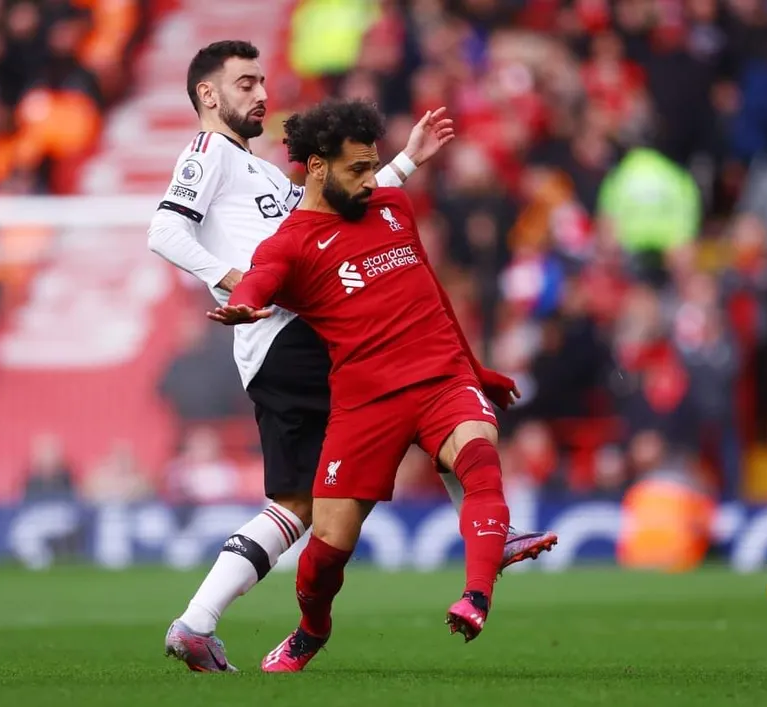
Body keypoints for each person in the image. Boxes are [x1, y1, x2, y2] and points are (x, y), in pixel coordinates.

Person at [149, 41, 557, 673]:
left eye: (262, 81)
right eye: (246, 83)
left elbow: (340, 209)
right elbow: (165, 230)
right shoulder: (208, 154)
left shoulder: (251, 166)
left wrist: (401, 166)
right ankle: (487, 526)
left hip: (280, 340)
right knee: (418, 372)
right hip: (286, 333)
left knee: (294, 506)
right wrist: (238, 280)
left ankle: (196, 624)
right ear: (209, 95)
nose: (262, 94)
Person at [210, 98, 522, 671]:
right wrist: (245, 304)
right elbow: (262, 278)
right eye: (358, 169)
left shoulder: (393, 206)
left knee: (480, 457)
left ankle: (477, 594)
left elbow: (434, 294)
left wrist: (476, 371)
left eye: (373, 166)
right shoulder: (292, 243)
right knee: (324, 557)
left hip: (439, 378)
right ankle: (310, 631)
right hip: (364, 404)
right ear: (318, 168)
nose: (370, 180)